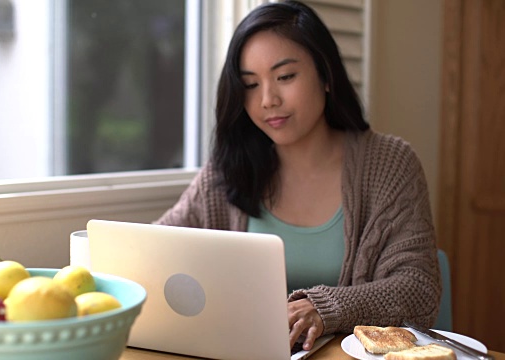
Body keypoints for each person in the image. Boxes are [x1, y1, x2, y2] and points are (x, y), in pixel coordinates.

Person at [155, 0, 441, 352]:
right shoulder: (228, 169)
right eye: (250, 84)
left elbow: (418, 287)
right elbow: (156, 248)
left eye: (285, 77)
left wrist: (327, 310)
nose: (268, 100)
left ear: (326, 76)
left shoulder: (390, 164)